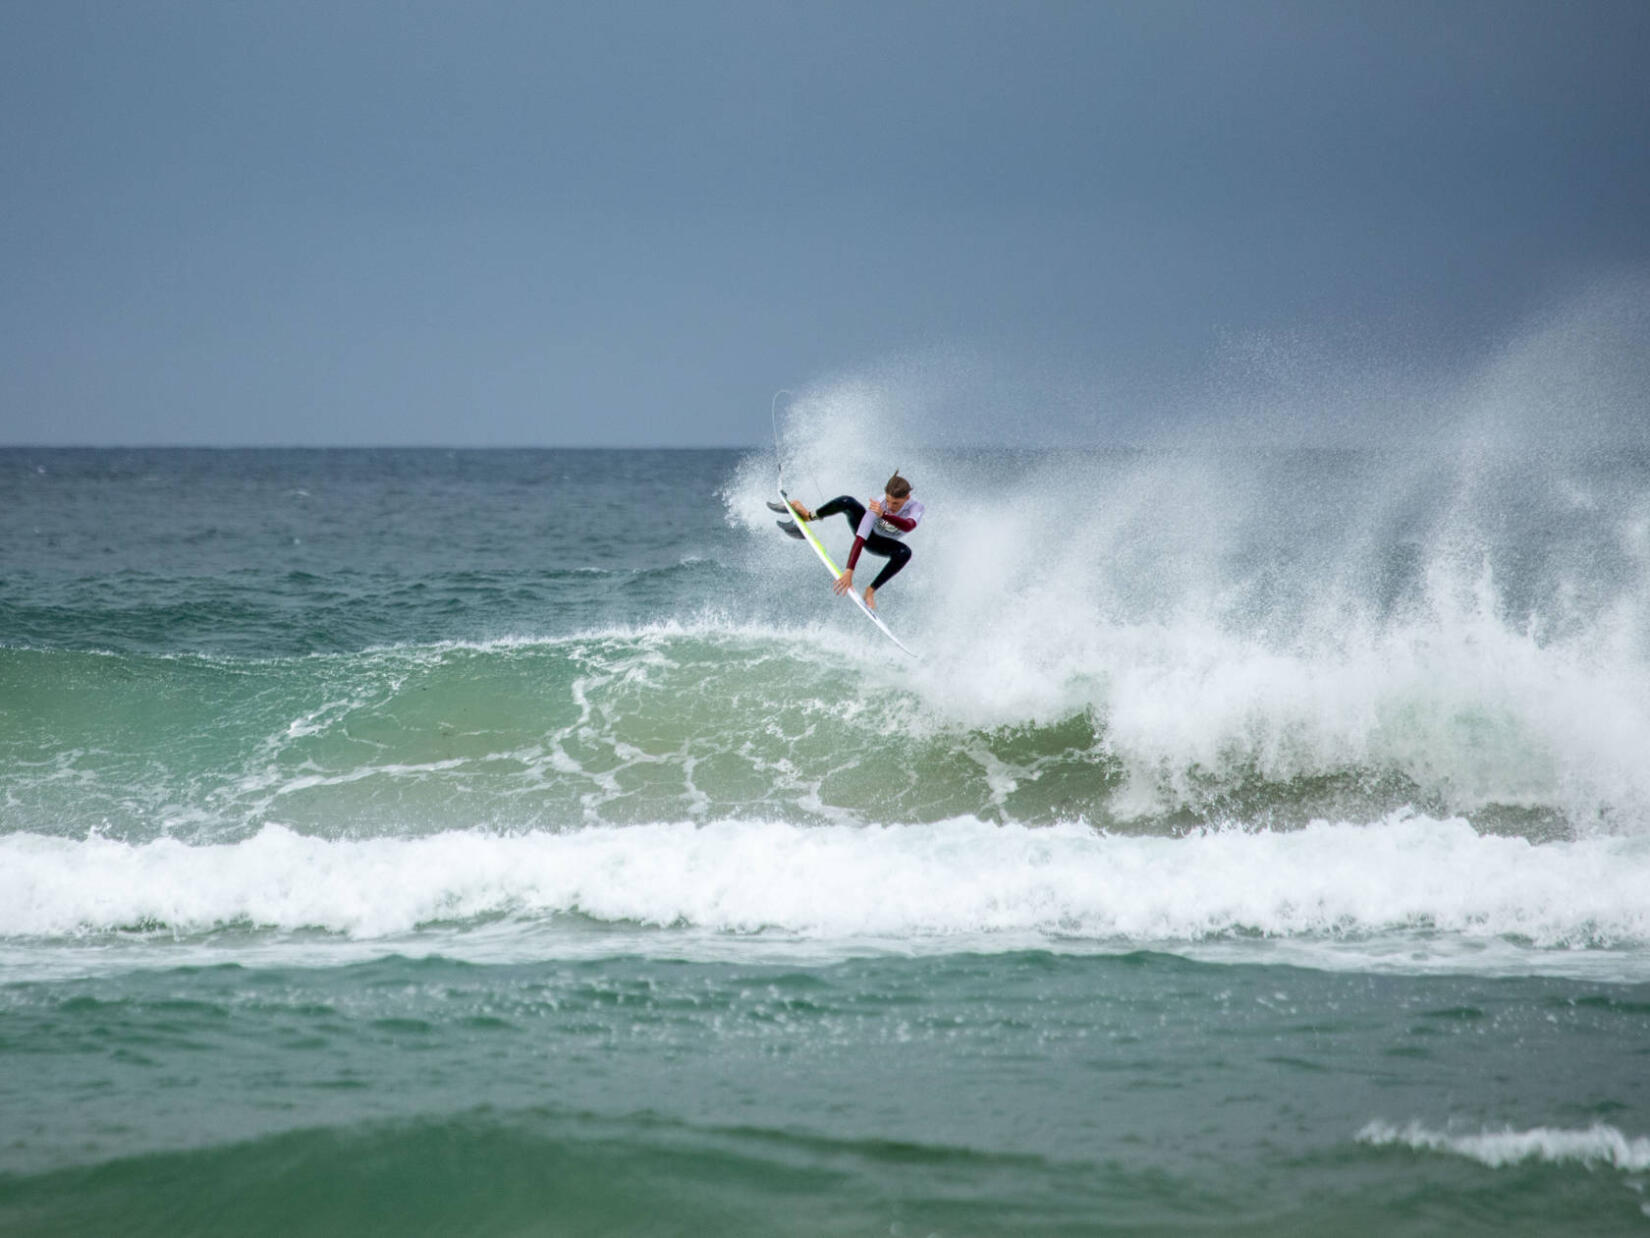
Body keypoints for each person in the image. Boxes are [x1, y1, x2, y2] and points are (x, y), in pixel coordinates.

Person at [789, 472, 924, 610]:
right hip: (868, 536)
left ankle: (870, 591)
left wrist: (884, 515)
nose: (890, 506)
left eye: (896, 503)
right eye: (888, 501)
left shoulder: (916, 507)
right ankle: (808, 516)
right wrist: (849, 570)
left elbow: (908, 526)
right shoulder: (878, 504)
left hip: (881, 544)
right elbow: (861, 537)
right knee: (847, 501)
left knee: (905, 553)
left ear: (907, 497)